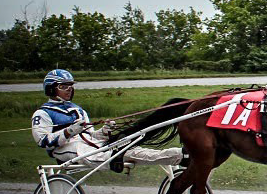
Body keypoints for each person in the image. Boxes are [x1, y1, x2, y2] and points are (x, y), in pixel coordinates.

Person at [32, 69, 183, 169]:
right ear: (51, 89)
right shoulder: (42, 114)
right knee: (109, 155)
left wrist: (104, 132)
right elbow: (43, 142)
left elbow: (91, 136)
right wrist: (69, 132)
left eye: (71, 86)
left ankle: (178, 155)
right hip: (66, 149)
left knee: (130, 150)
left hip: (91, 145)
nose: (69, 89)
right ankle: (114, 159)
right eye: (64, 86)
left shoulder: (78, 110)